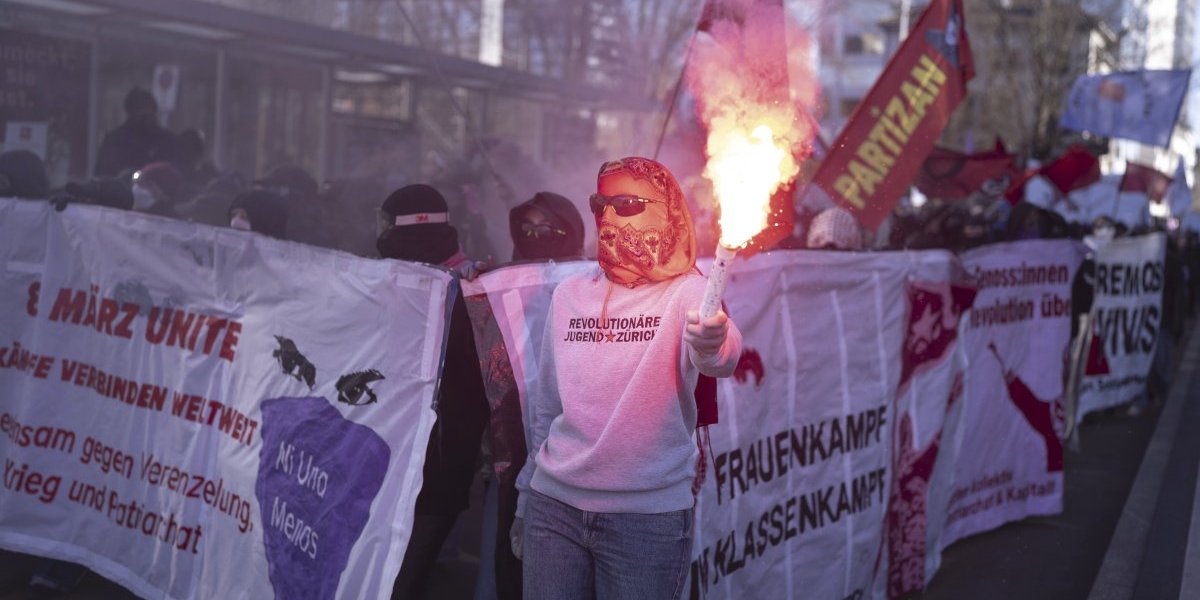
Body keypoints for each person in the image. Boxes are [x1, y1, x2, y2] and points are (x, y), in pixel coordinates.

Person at [513, 157, 742, 600]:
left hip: (645, 519)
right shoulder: (570, 294)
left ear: (666, 209)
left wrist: (712, 342)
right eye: (600, 204)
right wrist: (526, 497)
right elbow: (547, 407)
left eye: (628, 204)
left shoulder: (689, 291)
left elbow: (723, 355)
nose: (608, 217)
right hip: (554, 507)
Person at [381, 184, 490, 600]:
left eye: (385, 222)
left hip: (438, 466)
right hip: (392, 459)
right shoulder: (394, 282)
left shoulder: (470, 289)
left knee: (404, 579)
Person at [94, 88, 173, 177]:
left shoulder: (167, 141)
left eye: (148, 110)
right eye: (139, 110)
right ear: (130, 112)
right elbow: (102, 178)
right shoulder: (114, 142)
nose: (144, 114)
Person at [509, 191, 585, 261]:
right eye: (527, 228)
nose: (534, 236)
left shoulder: (591, 274)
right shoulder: (509, 274)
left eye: (544, 231)